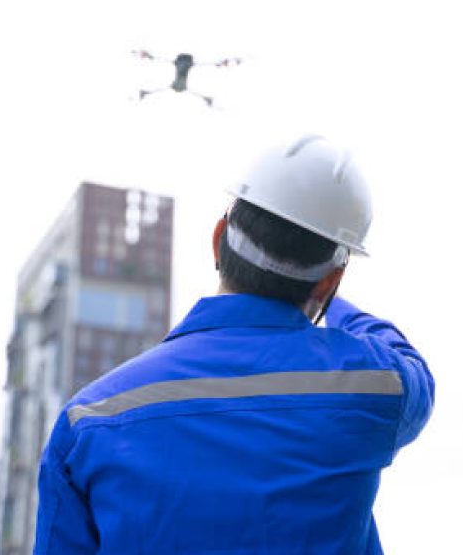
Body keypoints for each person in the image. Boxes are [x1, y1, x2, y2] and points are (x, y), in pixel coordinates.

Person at [33, 135, 435, 554]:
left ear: (218, 237)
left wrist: (316, 284)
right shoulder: (372, 387)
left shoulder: (89, 419)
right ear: (330, 280)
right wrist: (327, 297)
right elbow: (407, 362)